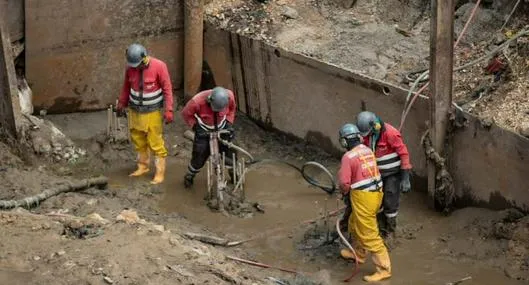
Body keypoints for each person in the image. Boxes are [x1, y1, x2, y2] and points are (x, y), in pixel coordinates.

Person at [337, 123, 391, 282]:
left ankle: (384, 269)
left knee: (369, 233)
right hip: (376, 194)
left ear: (344, 142)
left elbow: (345, 184)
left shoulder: (347, 157)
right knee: (355, 222)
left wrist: (343, 191)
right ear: (359, 137)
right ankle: (359, 254)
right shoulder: (367, 150)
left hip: (363, 197)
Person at [117, 43, 174, 185]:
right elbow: (126, 86)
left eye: (137, 64)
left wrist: (169, 109)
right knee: (138, 138)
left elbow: (167, 89)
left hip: (152, 111)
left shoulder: (159, 66)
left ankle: (159, 173)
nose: (135, 67)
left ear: (144, 58)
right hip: (135, 109)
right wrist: (122, 103)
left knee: (155, 141)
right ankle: (143, 166)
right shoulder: (130, 68)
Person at [355, 111, 412, 238]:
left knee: (390, 198)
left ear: (375, 126)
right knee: (376, 200)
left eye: (368, 134)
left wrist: (405, 178)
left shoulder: (390, 133)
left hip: (393, 173)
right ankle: (380, 227)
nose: (366, 137)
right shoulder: (366, 136)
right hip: (376, 174)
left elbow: (404, 154)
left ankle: (391, 229)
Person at [180, 86, 236, 188]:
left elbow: (232, 109)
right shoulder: (197, 101)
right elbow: (186, 114)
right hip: (204, 130)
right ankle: (190, 176)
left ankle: (234, 174)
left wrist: (229, 122)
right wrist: (195, 126)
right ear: (209, 100)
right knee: (199, 154)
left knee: (229, 153)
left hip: (222, 127)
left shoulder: (229, 97)